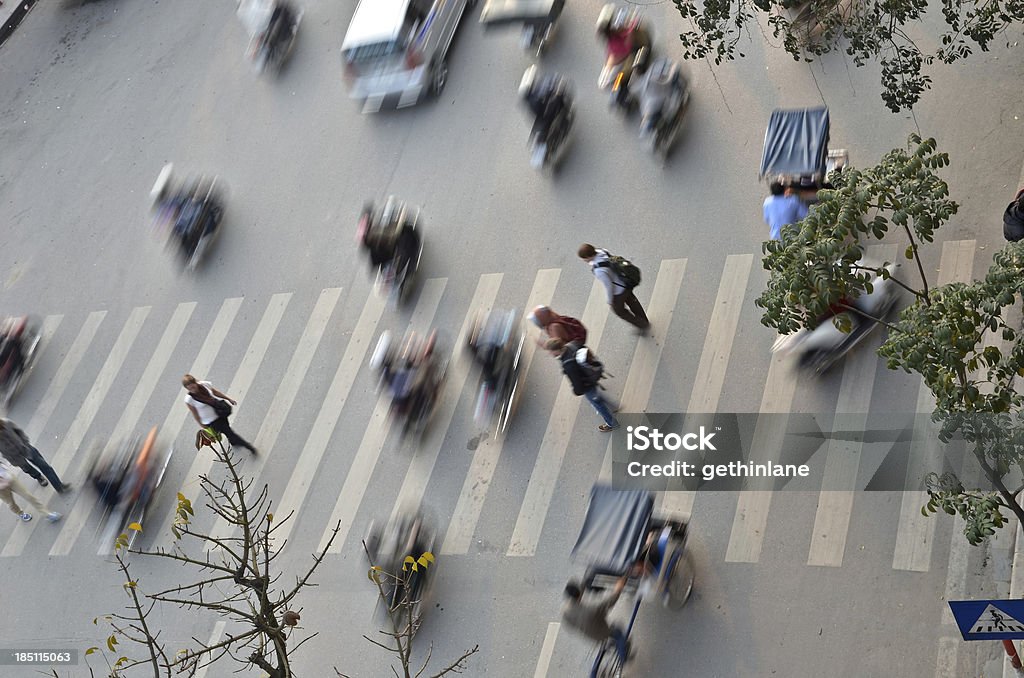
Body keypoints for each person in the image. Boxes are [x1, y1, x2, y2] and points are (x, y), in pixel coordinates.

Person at [547, 338, 619, 432]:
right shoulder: (572, 344)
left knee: (597, 404)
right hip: (592, 375)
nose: (550, 354)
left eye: (551, 351)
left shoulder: (568, 365)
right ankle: (614, 407)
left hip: (587, 384)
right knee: (597, 396)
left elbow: (577, 385)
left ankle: (611, 423)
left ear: (556, 350)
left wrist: (576, 391)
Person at [577, 244, 650, 332]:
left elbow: (609, 286)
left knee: (620, 311)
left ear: (588, 256)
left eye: (584, 258)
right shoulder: (602, 251)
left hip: (618, 292)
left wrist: (610, 301)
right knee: (633, 302)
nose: (583, 260)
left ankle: (641, 324)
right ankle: (644, 319)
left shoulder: (599, 270)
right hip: (625, 282)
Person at [182, 374, 258, 455]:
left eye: (192, 386)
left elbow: (215, 392)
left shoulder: (204, 385)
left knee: (227, 429)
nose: (191, 389)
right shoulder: (189, 399)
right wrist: (201, 424)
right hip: (211, 420)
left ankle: (233, 441)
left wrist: (228, 399)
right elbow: (195, 413)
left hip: (220, 413)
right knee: (229, 432)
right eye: (188, 388)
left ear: (195, 383)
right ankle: (248, 446)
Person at [561, 576, 630, 664]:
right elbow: (610, 601)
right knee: (618, 631)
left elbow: (570, 627)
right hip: (601, 633)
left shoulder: (565, 610)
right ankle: (624, 658)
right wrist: (618, 588)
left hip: (588, 635)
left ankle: (609, 644)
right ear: (579, 594)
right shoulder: (591, 608)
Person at [0, 418, 68, 493]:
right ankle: (38, 477)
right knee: (28, 469)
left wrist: (25, 442)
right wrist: (11, 460)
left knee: (44, 466)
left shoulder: (6, 423)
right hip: (16, 458)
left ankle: (59, 486)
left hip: (26, 448)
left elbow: (19, 431)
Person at [0, 458, 62, 524]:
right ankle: (20, 513)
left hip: (9, 478)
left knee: (28, 495)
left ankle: (47, 514)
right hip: (1, 489)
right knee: (11, 503)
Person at [519, 66, 571, 143]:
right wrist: (557, 94)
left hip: (543, 116)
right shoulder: (537, 96)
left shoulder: (531, 99)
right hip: (547, 114)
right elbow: (552, 102)